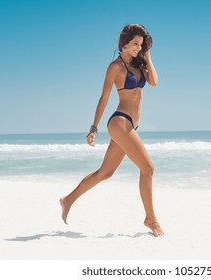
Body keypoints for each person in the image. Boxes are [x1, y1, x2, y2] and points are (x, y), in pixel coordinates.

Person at [60, 24, 164, 237]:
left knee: (105, 172)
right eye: (135, 44)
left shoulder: (140, 64)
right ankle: (150, 219)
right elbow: (104, 98)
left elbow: (153, 82)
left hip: (130, 125)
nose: (137, 48)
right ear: (124, 43)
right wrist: (94, 127)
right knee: (148, 169)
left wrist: (148, 54)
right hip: (119, 122)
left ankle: (67, 199)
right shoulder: (115, 67)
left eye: (140, 45)